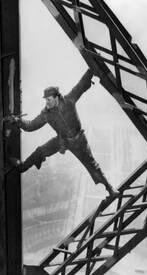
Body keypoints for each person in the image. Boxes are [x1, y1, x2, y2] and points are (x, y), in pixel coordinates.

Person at [8, 69, 117, 197]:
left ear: (56, 98)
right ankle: (23, 167)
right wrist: (18, 121)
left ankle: (110, 189)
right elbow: (31, 125)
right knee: (40, 151)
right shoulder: (46, 114)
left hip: (79, 142)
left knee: (92, 166)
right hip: (62, 141)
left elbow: (81, 85)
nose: (46, 102)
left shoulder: (69, 101)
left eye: (48, 99)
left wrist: (92, 69)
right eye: (46, 100)